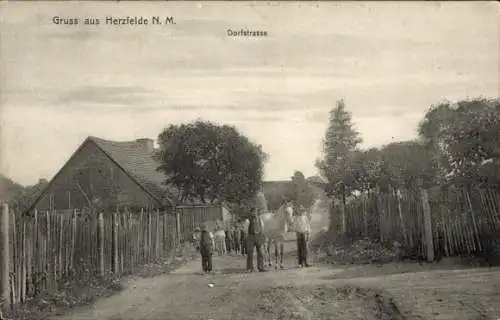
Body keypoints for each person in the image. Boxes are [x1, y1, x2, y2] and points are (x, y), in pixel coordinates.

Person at [246, 208, 266, 272]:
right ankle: (250, 268)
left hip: (258, 236)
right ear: (251, 213)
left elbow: (262, 228)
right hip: (250, 236)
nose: (254, 213)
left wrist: (262, 238)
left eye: (255, 212)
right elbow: (246, 228)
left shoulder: (260, 219)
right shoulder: (248, 220)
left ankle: (261, 267)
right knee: (250, 253)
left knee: (261, 252)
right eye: (252, 212)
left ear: (256, 212)